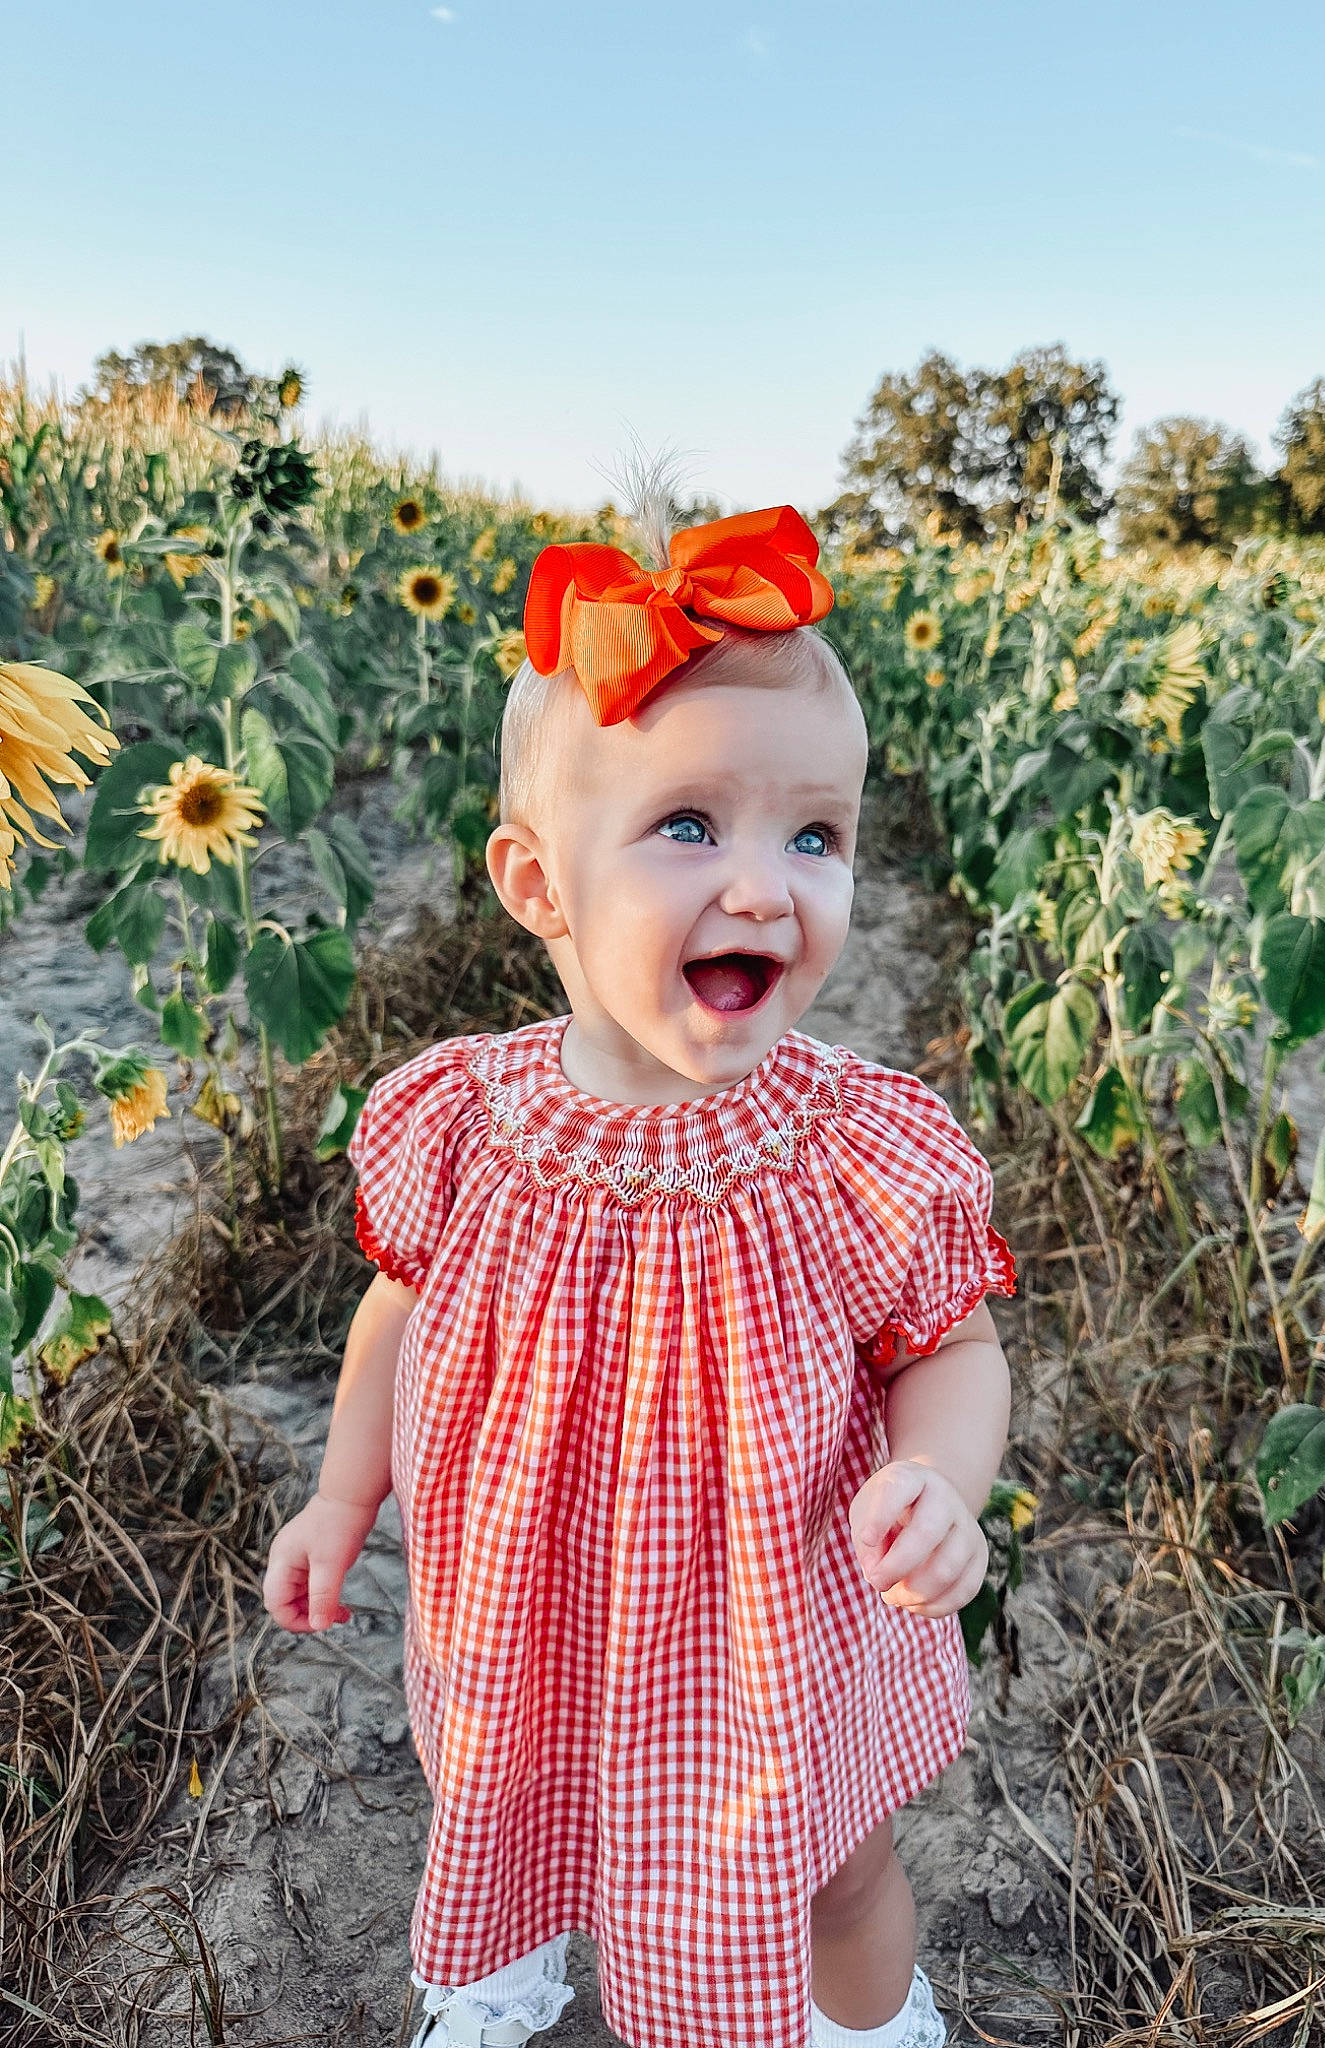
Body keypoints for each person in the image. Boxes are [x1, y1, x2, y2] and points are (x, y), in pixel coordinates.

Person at [262, 487, 1018, 2048]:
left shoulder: (856, 1145)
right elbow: (395, 1313)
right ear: (537, 882)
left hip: (777, 1624)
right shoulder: (463, 1118)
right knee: (513, 1803)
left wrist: (943, 1479)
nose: (764, 885)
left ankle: (870, 2028)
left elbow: (952, 1348)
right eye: (689, 824)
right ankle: (503, 1976)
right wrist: (345, 1496)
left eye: (815, 835)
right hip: (527, 1605)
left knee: (833, 1863)